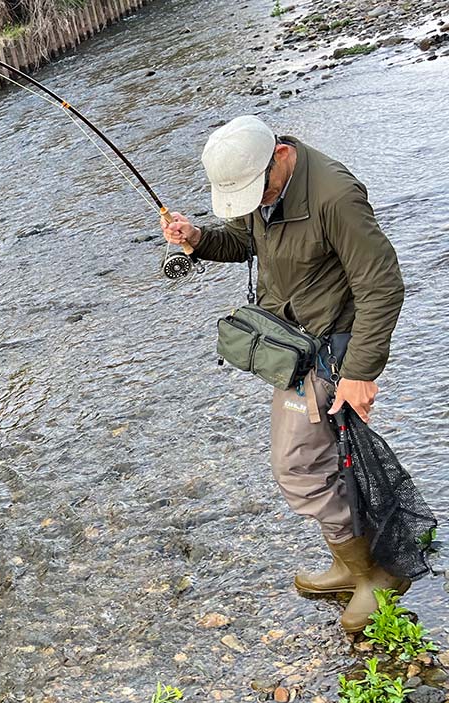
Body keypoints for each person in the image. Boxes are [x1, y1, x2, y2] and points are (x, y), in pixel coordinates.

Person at [162, 115, 407, 632]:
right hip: (293, 345)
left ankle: (373, 575)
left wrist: (359, 373)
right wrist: (198, 237)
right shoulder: (265, 191)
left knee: (297, 464)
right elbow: (243, 241)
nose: (255, 201)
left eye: (259, 189)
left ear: (281, 155)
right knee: (325, 459)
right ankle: (350, 566)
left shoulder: (334, 197)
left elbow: (382, 284)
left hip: (330, 352)